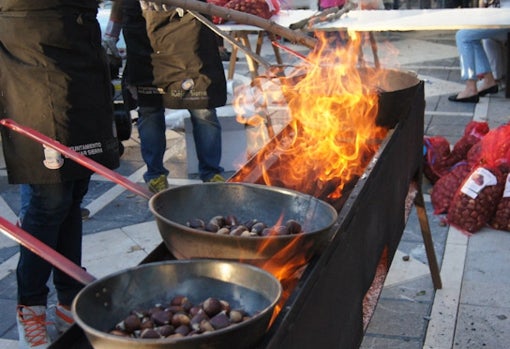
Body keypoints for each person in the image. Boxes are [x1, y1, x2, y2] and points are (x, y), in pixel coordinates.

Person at [0, 1, 120, 348]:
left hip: (79, 40)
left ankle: (71, 300)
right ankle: (31, 306)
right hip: (28, 48)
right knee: (48, 198)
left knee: (75, 190)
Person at [106, 0, 226, 193]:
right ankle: (156, 175)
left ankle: (212, 173)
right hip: (144, 33)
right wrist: (111, 34)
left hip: (189, 31)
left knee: (202, 108)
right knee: (150, 109)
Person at [448, 0, 509, 103]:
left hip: (505, 18)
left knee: (463, 36)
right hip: (500, 16)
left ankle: (471, 87)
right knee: (470, 36)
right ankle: (488, 80)